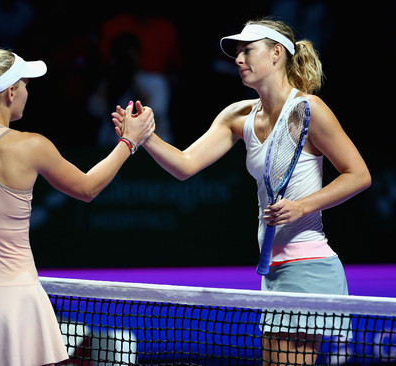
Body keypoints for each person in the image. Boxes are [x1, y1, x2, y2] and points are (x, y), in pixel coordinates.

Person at [113, 18, 371, 365]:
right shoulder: (238, 116)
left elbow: (359, 175)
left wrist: (302, 206)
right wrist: (144, 137)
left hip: (308, 266)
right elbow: (186, 165)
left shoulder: (310, 110)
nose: (238, 58)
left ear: (277, 53)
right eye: (236, 52)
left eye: (248, 50)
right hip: (274, 271)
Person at [0, 48, 154, 366]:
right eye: (25, 84)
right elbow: (88, 188)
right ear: (11, 92)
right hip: (16, 304)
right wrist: (129, 141)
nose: (28, 91)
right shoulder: (32, 145)